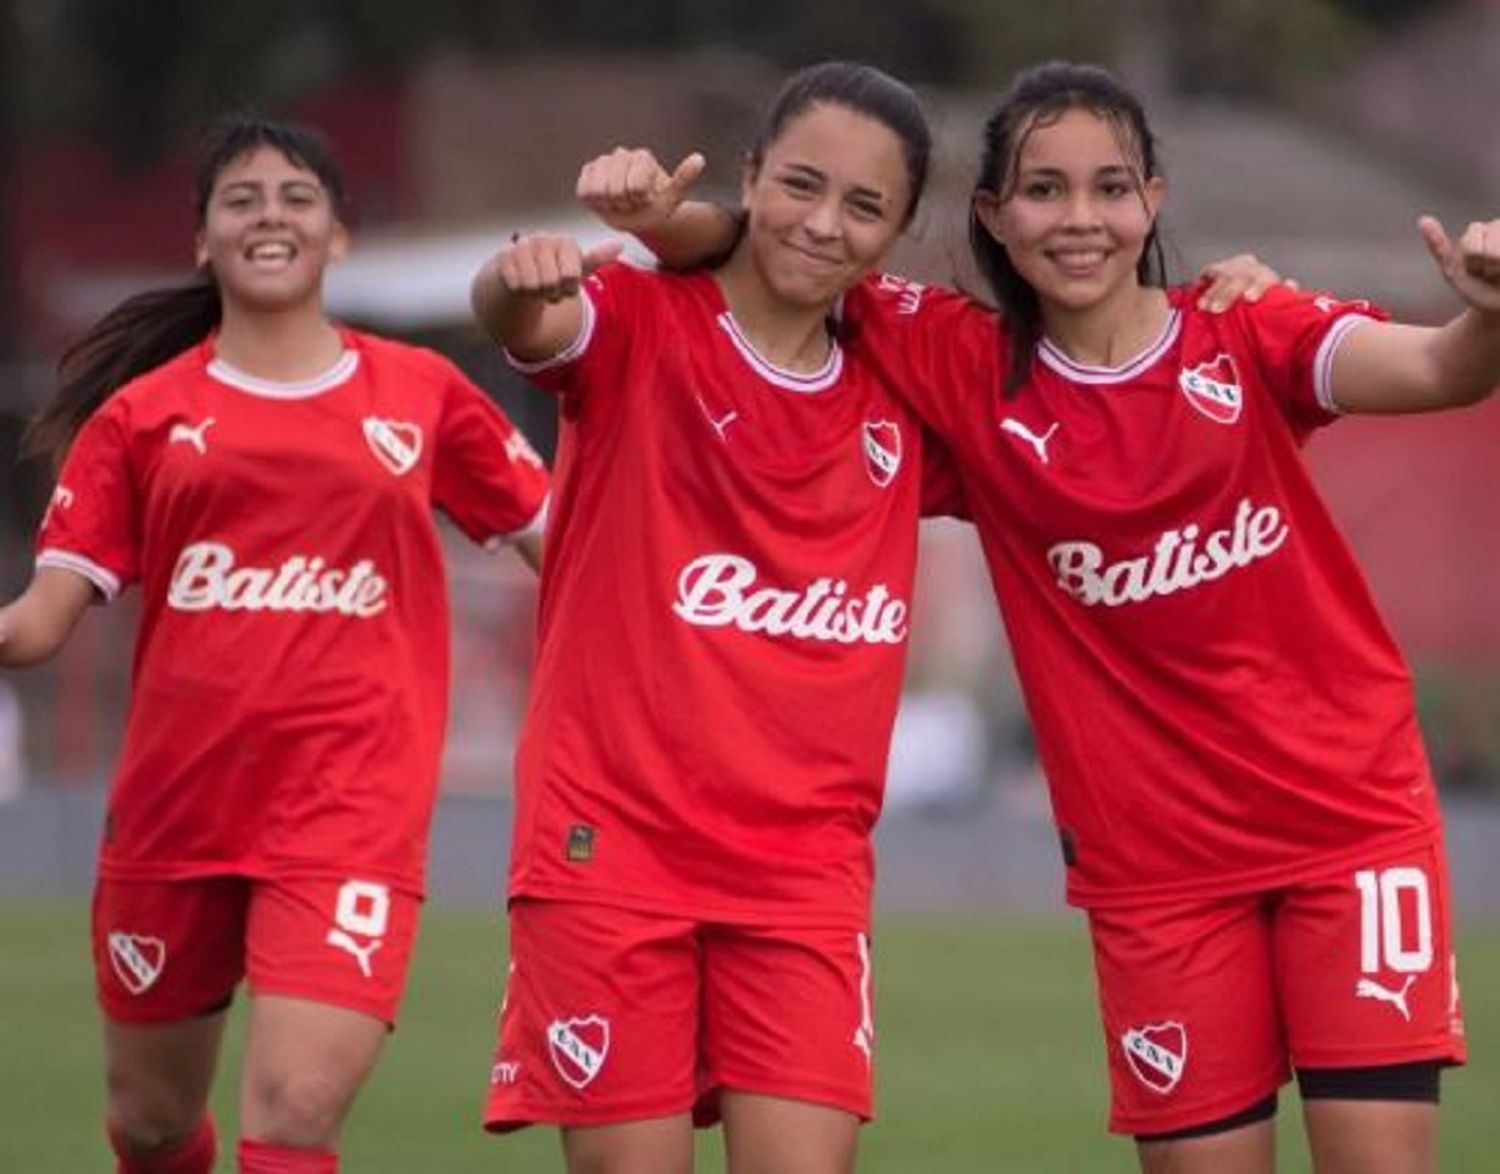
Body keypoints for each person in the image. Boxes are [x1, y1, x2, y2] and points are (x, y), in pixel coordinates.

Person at [596, 61, 1497, 1174]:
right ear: (993, 216)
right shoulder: (955, 360)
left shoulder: (1245, 328)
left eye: (1110, 188)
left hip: (1346, 826)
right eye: (1044, 191)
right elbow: (791, 242)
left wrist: (1486, 312)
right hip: (1154, 870)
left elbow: (1441, 367)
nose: (1081, 219)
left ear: (1153, 202)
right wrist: (658, 220)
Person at [0, 118, 549, 1174]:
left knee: (294, 1110)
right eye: (240, 200)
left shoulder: (421, 394)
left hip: (348, 814)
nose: (270, 217)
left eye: (296, 198)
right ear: (202, 240)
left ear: (338, 235)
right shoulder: (140, 420)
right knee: (152, 1122)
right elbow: (39, 620)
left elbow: (564, 545)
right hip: (175, 814)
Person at [471, 62, 971, 1174]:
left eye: (865, 206)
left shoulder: (905, 387)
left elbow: (1099, 412)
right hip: (611, 850)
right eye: (801, 184)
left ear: (897, 233)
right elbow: (525, 316)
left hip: (804, 871)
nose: (824, 224)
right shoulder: (640, 319)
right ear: (750, 179)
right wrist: (523, 274)